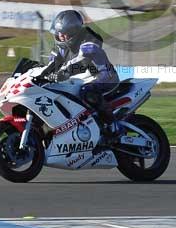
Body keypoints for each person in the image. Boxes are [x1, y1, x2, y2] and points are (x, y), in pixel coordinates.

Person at [39, 9, 121, 138]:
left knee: (87, 92)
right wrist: (39, 75)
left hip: (104, 76)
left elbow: (82, 61)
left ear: (74, 32)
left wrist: (63, 73)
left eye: (63, 33)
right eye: (58, 32)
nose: (60, 36)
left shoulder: (89, 41)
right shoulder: (61, 47)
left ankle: (113, 125)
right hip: (84, 79)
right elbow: (52, 64)